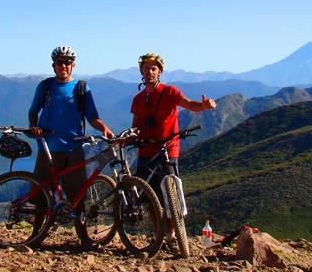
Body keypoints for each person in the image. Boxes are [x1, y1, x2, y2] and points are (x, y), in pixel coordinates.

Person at [130, 52, 216, 243]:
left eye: (153, 68)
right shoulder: (138, 99)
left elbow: (189, 105)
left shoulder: (170, 92)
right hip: (146, 150)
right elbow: (136, 125)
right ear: (141, 72)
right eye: (146, 68)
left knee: (170, 196)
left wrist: (203, 106)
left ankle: (171, 235)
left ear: (160, 71)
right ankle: (158, 235)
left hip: (168, 150)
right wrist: (129, 136)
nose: (149, 72)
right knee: (151, 197)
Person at [28, 46, 114, 214]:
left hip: (73, 149)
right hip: (47, 148)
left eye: (68, 62)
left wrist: (105, 129)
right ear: (53, 66)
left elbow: (92, 117)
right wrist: (34, 127)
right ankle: (37, 235)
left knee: (77, 197)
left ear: (73, 65)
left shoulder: (81, 88)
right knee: (41, 196)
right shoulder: (45, 86)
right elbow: (33, 112)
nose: (64, 66)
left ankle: (83, 237)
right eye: (60, 62)